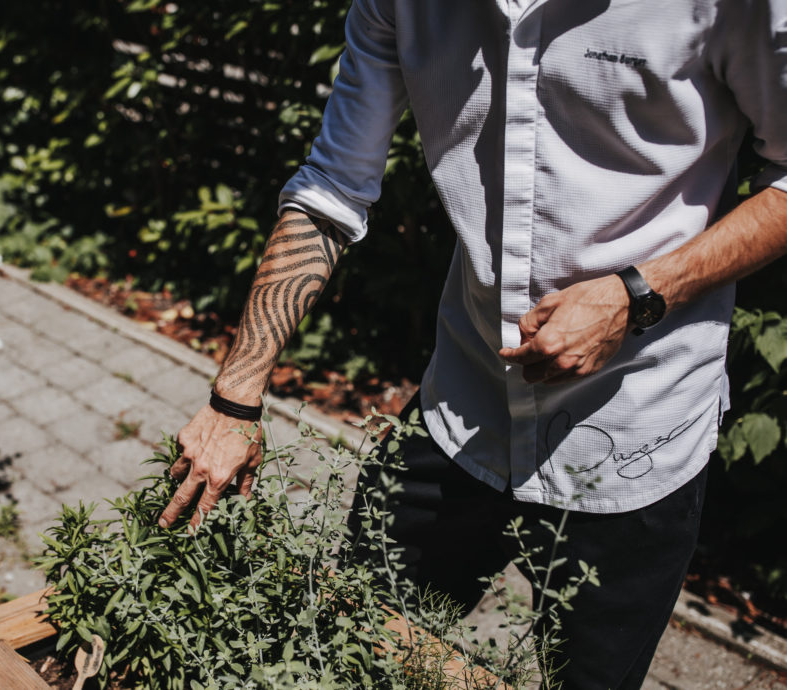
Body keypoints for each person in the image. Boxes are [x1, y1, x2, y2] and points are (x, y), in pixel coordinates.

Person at [158, 1, 787, 686]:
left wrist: (636, 292)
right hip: (462, 406)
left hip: (636, 432)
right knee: (348, 647)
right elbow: (332, 187)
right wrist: (235, 398)